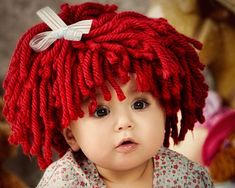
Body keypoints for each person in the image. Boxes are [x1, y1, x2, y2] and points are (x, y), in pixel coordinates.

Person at [2, 2, 213, 187]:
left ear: (165, 110)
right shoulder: (64, 182)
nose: (124, 123)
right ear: (71, 136)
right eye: (101, 111)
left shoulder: (188, 177)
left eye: (139, 104)